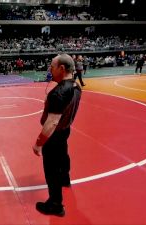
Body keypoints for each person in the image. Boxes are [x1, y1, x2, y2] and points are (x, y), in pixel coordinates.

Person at [32, 54, 82, 217]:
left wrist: (39, 143)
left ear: (61, 68)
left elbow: (52, 122)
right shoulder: (76, 86)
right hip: (65, 129)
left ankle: (55, 204)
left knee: (51, 168)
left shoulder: (59, 92)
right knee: (63, 157)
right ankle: (65, 180)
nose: (50, 69)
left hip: (55, 134)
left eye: (52, 66)